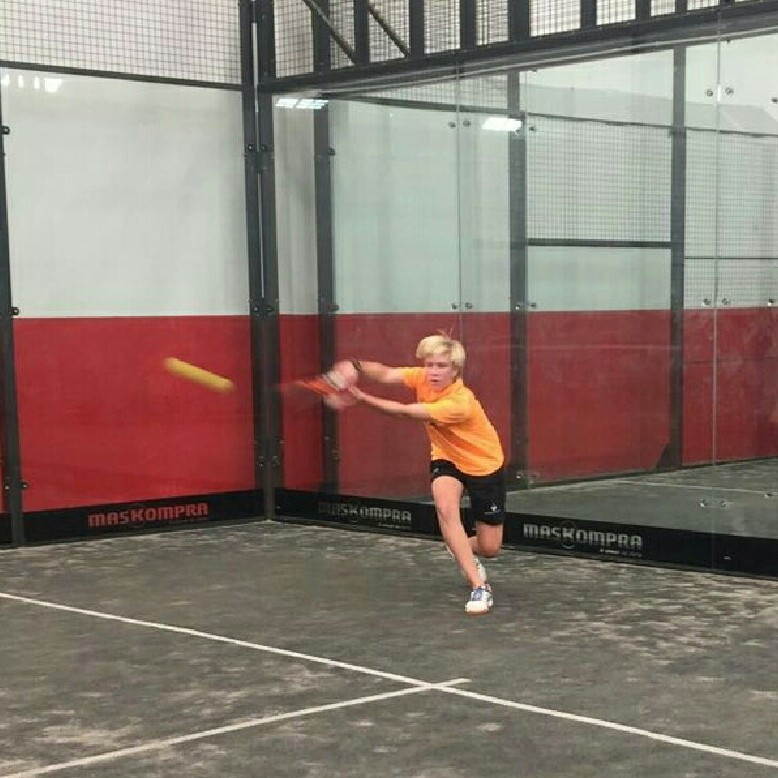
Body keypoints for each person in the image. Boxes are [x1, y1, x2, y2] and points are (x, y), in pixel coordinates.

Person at [332, 334, 505, 615]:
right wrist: (355, 365)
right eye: (430, 364)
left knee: (490, 547)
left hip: (483, 464)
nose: (433, 372)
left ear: (455, 370)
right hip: (446, 458)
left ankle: (460, 547)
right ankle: (479, 586)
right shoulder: (422, 377)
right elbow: (386, 373)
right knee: (446, 509)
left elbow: (404, 413)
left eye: (441, 366)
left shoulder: (460, 402)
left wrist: (359, 397)